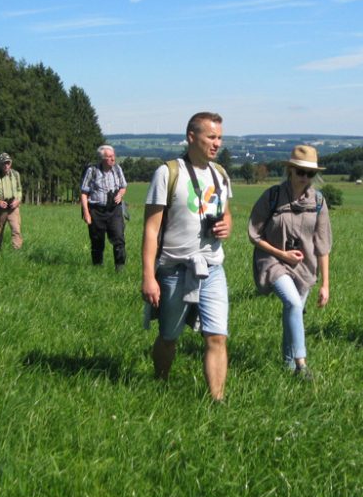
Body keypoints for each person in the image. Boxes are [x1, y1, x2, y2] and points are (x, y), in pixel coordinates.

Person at [141, 112, 233, 401]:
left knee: (217, 337)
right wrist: (148, 277)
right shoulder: (168, 173)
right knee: (169, 336)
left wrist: (227, 224)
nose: (217, 143)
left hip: (213, 267)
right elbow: (151, 228)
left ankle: (217, 400)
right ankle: (160, 383)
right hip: (176, 268)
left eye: (219, 137)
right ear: (191, 137)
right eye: (211, 137)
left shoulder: (220, 174)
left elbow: (226, 211)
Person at [248, 145, 332, 380]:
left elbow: (322, 244)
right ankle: (301, 365)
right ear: (290, 171)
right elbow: (254, 235)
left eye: (310, 173)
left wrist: (325, 284)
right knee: (294, 304)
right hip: (272, 260)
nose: (305, 178)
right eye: (300, 172)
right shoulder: (272, 196)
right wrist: (281, 254)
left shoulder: (318, 202)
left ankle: (287, 366)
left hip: (304, 267)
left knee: (293, 311)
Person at [80, 145, 128, 270]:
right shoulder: (92, 171)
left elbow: (123, 186)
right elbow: (84, 192)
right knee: (97, 241)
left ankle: (120, 269)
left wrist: (121, 194)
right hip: (96, 211)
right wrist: (86, 213)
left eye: (114, 155)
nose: (113, 159)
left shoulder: (117, 169)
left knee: (119, 239)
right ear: (102, 158)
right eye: (110, 157)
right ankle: (97, 268)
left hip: (114, 210)